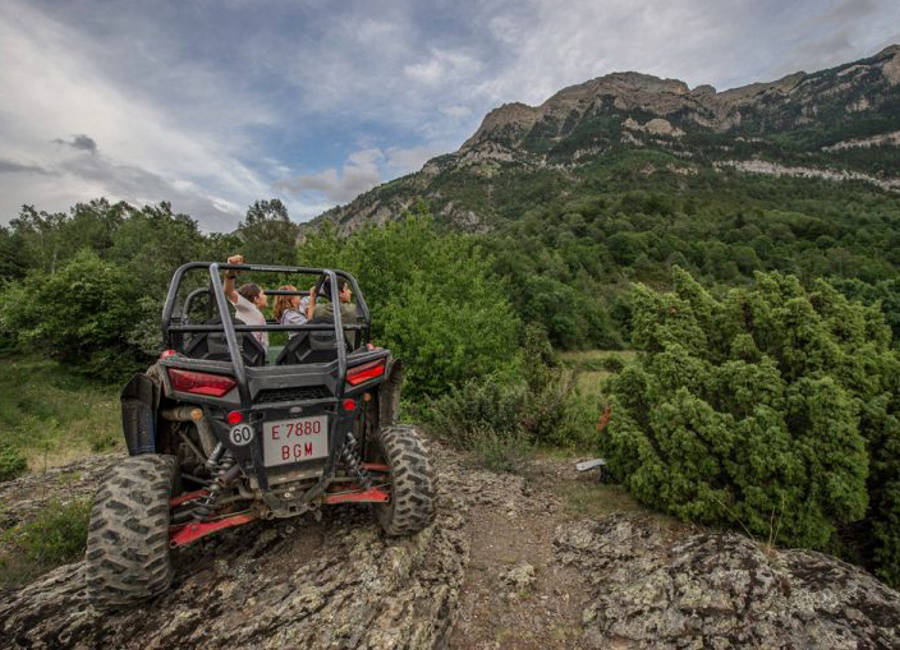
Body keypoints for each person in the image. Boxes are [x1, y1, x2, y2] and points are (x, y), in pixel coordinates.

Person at [223, 254, 269, 351]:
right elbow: (229, 292)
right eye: (262, 294)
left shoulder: (254, 311)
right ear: (256, 298)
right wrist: (230, 271)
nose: (265, 296)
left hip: (257, 355)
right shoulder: (246, 306)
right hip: (249, 354)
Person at [306, 277, 358, 347]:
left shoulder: (318, 309)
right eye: (347, 289)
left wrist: (312, 297)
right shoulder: (352, 309)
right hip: (347, 353)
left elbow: (310, 320)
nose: (350, 292)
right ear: (339, 293)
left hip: (325, 351)